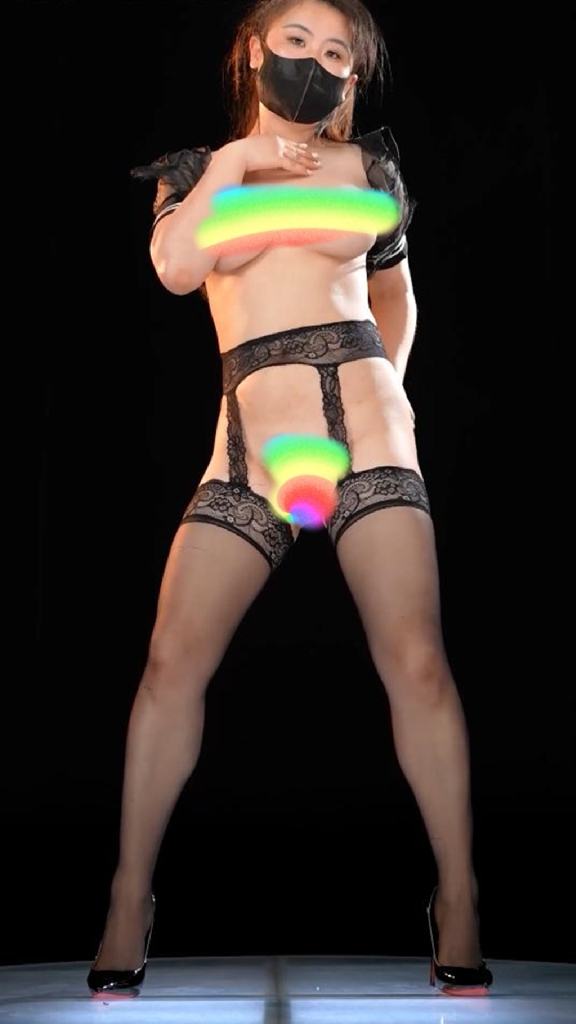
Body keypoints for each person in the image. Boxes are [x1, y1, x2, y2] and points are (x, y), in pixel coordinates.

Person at [88, 0, 493, 997]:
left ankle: (460, 896)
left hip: (366, 429)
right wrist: (238, 161)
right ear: (252, 52)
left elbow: (395, 295)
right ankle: (128, 897)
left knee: (416, 658)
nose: (317, 60)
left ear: (354, 77)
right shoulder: (197, 175)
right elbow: (177, 268)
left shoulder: (370, 170)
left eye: (338, 51)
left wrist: (392, 394)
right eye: (298, 42)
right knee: (170, 663)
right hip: (250, 449)